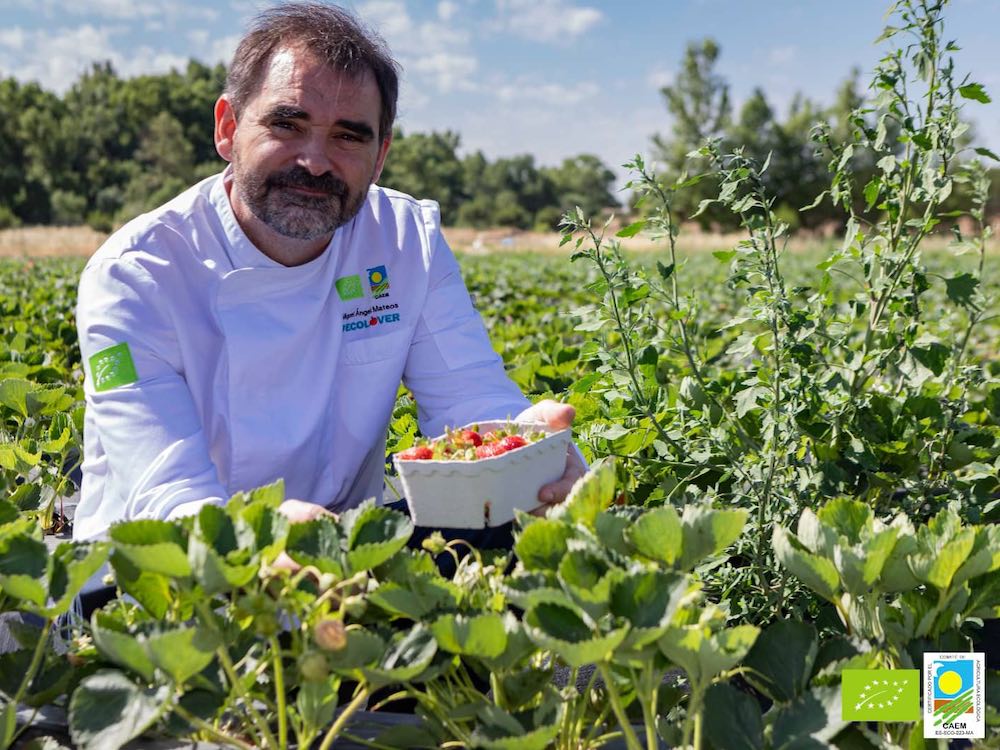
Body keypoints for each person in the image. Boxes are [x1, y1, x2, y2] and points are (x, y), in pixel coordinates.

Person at [73, 2, 585, 552]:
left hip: (346, 554)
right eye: (287, 124)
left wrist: (524, 446)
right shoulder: (137, 276)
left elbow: (470, 396)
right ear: (227, 128)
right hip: (157, 581)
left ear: (380, 155)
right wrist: (255, 536)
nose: (314, 162)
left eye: (348, 136)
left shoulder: (405, 241)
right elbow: (165, 488)